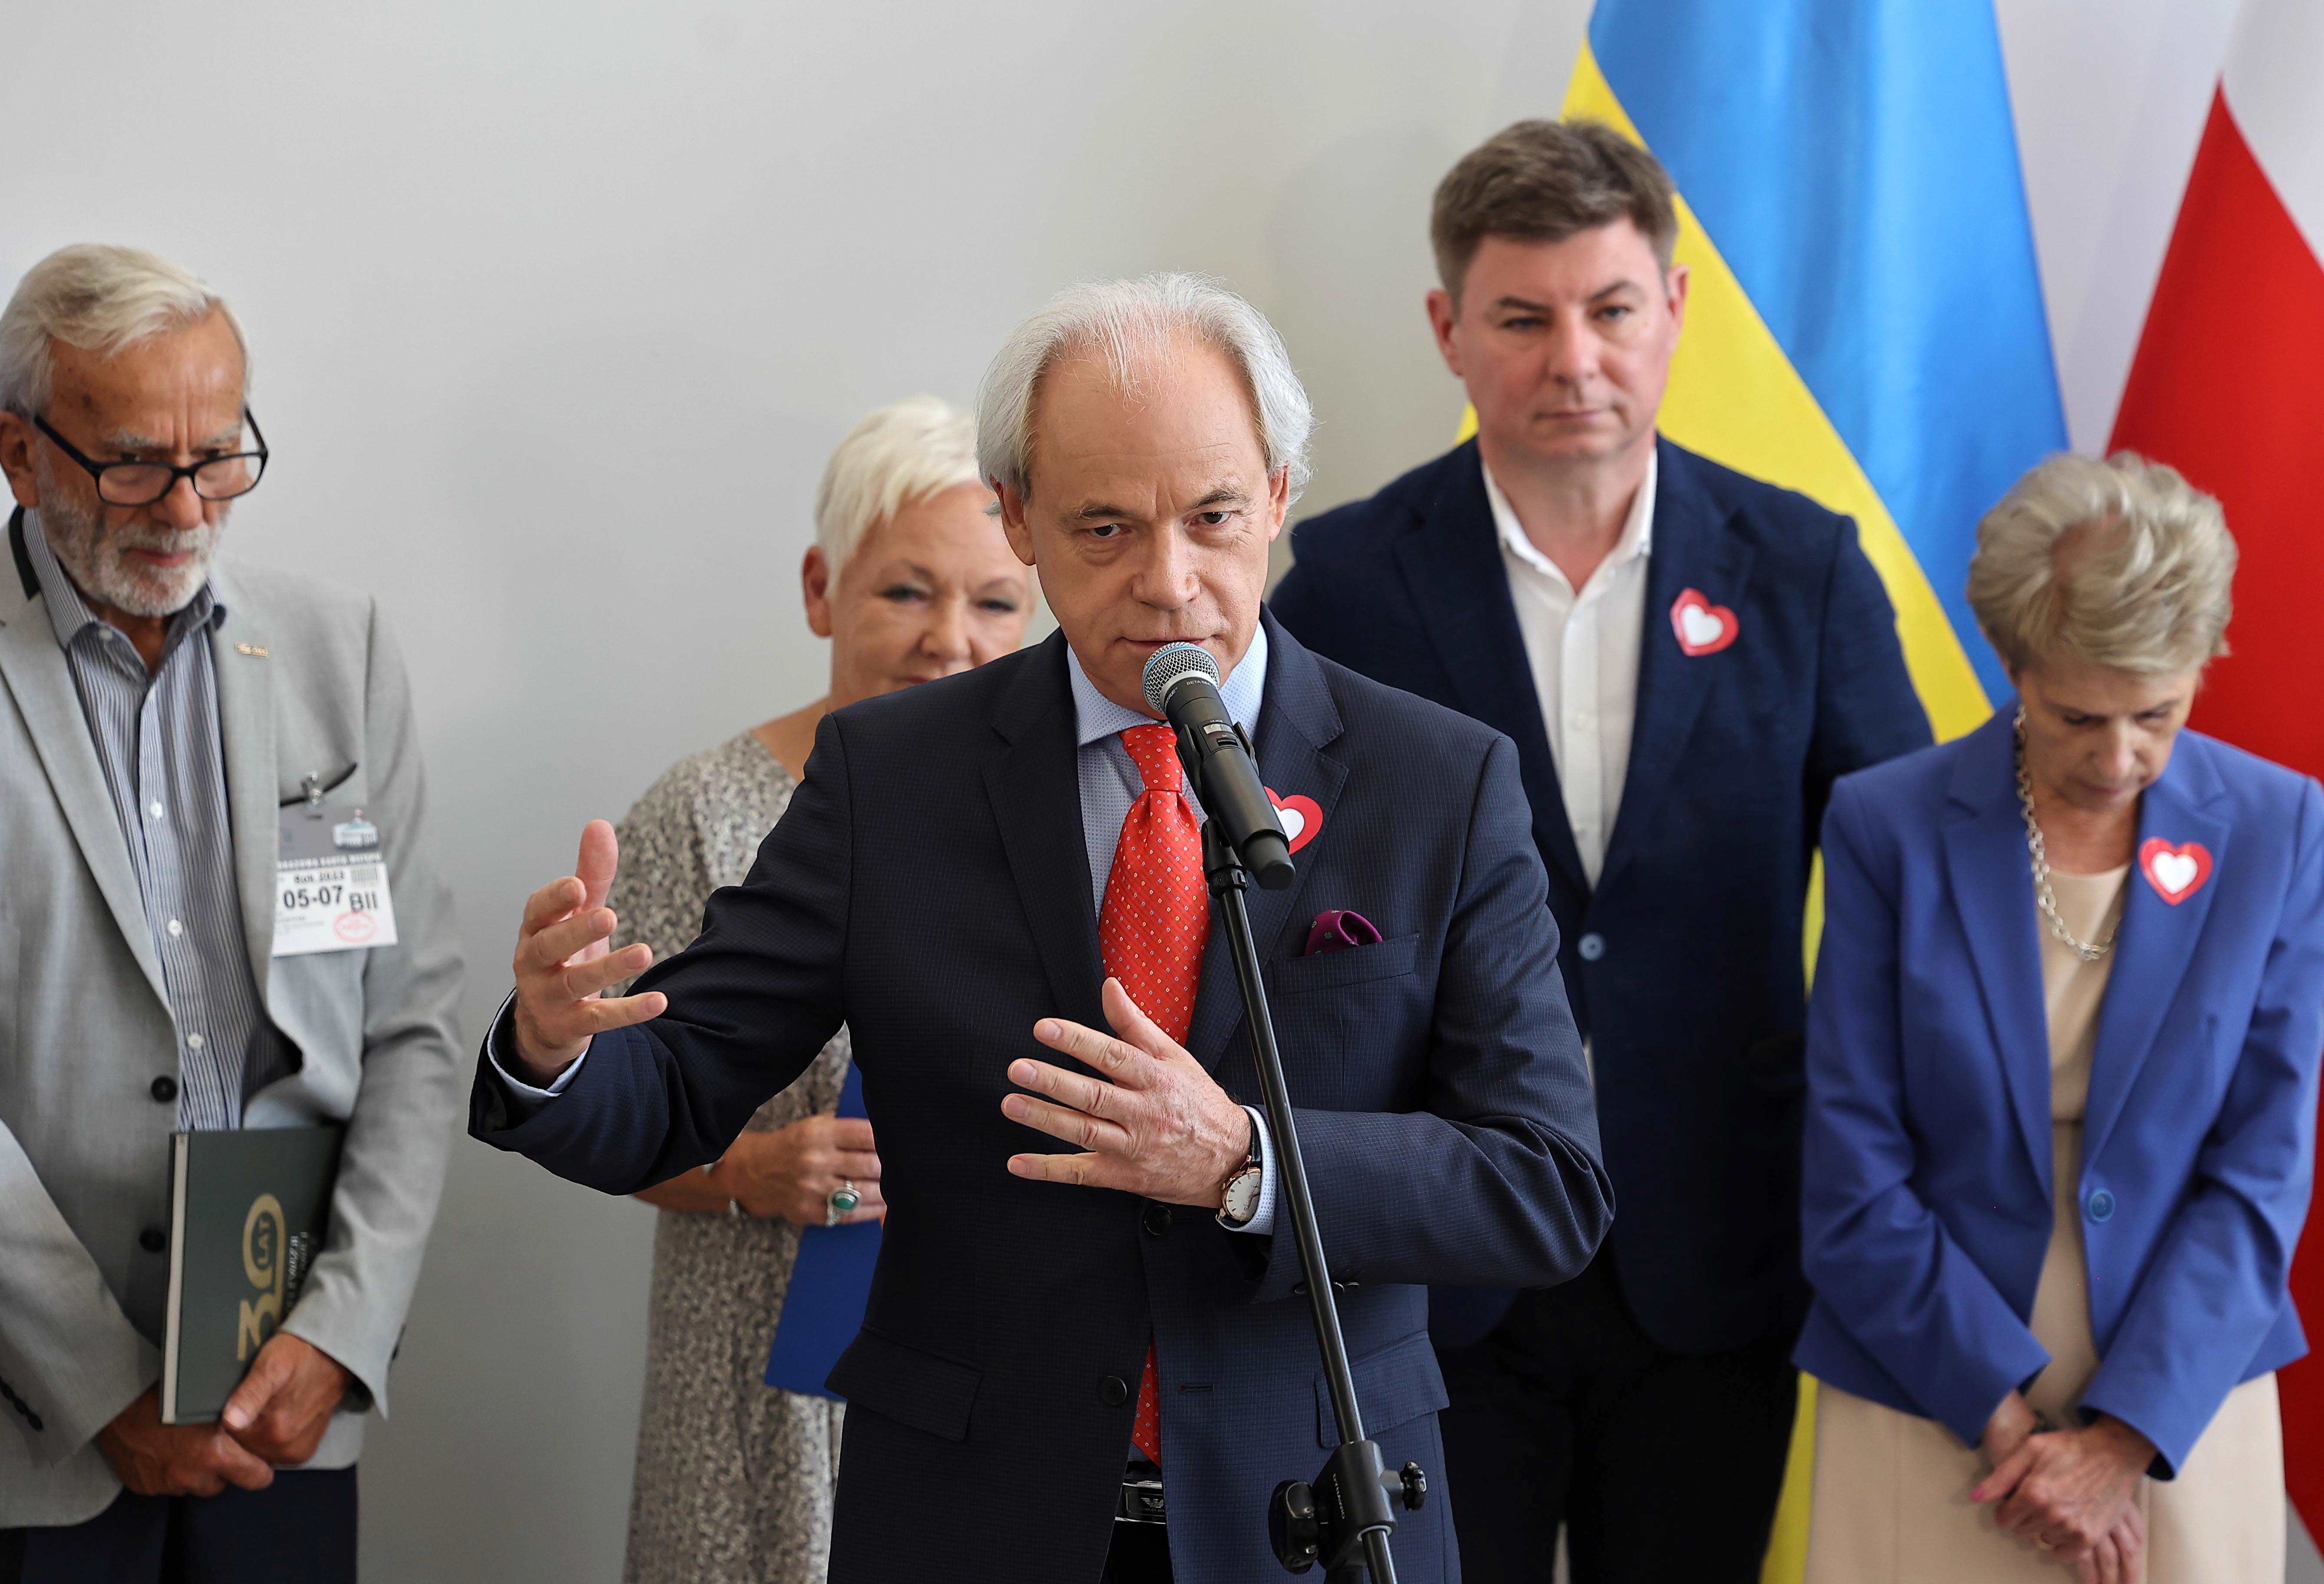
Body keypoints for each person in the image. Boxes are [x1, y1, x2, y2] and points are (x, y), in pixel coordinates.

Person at [471, 271, 1612, 1583]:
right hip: (973, 1521)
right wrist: (554, 1046)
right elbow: (676, 1088)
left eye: (1213, 518)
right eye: (1105, 529)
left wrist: (1242, 1160)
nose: (1168, 583)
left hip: (1309, 1522)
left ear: (1279, 495)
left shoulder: (1438, 781)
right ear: (1017, 518)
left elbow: (1544, 1184)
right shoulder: (892, 776)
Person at [1269, 119, 1931, 1580]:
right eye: (1523, 318)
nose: (1573, 360)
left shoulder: (1802, 568)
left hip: (1716, 1252)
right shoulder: (1346, 584)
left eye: (1611, 310)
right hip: (1435, 1262)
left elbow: (1912, 898)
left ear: (1673, 310)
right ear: (1447, 329)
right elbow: (1277, 912)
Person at [0, 245, 463, 1582]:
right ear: (20, 455)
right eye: (134, 464)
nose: (187, 509)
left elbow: (412, 1024)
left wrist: (342, 1330)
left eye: (220, 458)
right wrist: (99, 1386)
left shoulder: (335, 648)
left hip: (284, 1405)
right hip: (33, 1436)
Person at [1797, 452, 2321, 1584]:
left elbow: (2262, 1170)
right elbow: (1851, 1169)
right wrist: (2007, 1428)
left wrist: (2120, 1441)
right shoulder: (1886, 826)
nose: (2120, 759)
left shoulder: (2279, 828)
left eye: (2157, 714)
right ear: (2014, 665)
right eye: (2078, 715)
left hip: (2178, 1390)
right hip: (1931, 1379)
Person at [614, 395, 1032, 1584]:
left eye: (995, 602)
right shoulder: (701, 814)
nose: (950, 639)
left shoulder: (1064, 826)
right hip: (754, 1404)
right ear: (821, 589)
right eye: (906, 591)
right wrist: (745, 1170)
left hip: (984, 1392)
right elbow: (600, 1114)